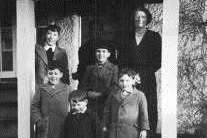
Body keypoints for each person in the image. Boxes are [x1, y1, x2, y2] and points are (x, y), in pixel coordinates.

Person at [124, 6, 161, 137]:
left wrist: (142, 75)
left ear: (147, 19)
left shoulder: (154, 37)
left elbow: (158, 60)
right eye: (137, 16)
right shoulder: (126, 37)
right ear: (133, 19)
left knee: (148, 109)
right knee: (130, 108)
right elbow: (122, 59)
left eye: (143, 17)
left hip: (147, 79)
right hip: (129, 80)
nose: (140, 19)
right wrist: (130, 76)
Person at [102, 68, 150, 138]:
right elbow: (106, 112)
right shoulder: (113, 95)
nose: (124, 84)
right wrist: (104, 126)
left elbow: (144, 114)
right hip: (114, 132)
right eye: (121, 81)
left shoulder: (140, 95)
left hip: (131, 132)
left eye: (127, 80)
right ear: (118, 81)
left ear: (133, 81)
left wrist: (144, 129)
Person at [79, 40, 118, 119]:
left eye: (104, 52)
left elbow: (115, 86)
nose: (101, 54)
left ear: (108, 54)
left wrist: (101, 94)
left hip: (106, 102)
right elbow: (82, 85)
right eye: (98, 51)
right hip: (91, 103)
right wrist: (87, 93)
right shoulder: (89, 68)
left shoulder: (114, 68)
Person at [31, 61, 70, 138]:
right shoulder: (42, 88)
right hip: (46, 125)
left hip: (62, 123)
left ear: (61, 75)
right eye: (50, 73)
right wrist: (39, 120)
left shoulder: (66, 88)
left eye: (56, 73)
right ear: (47, 74)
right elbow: (34, 106)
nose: (53, 76)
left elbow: (72, 105)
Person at [73, 20, 118, 85]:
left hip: (107, 83)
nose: (95, 32)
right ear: (89, 31)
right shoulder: (83, 48)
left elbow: (113, 66)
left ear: (101, 31)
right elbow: (81, 67)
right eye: (93, 30)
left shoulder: (109, 47)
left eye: (98, 30)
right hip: (89, 83)